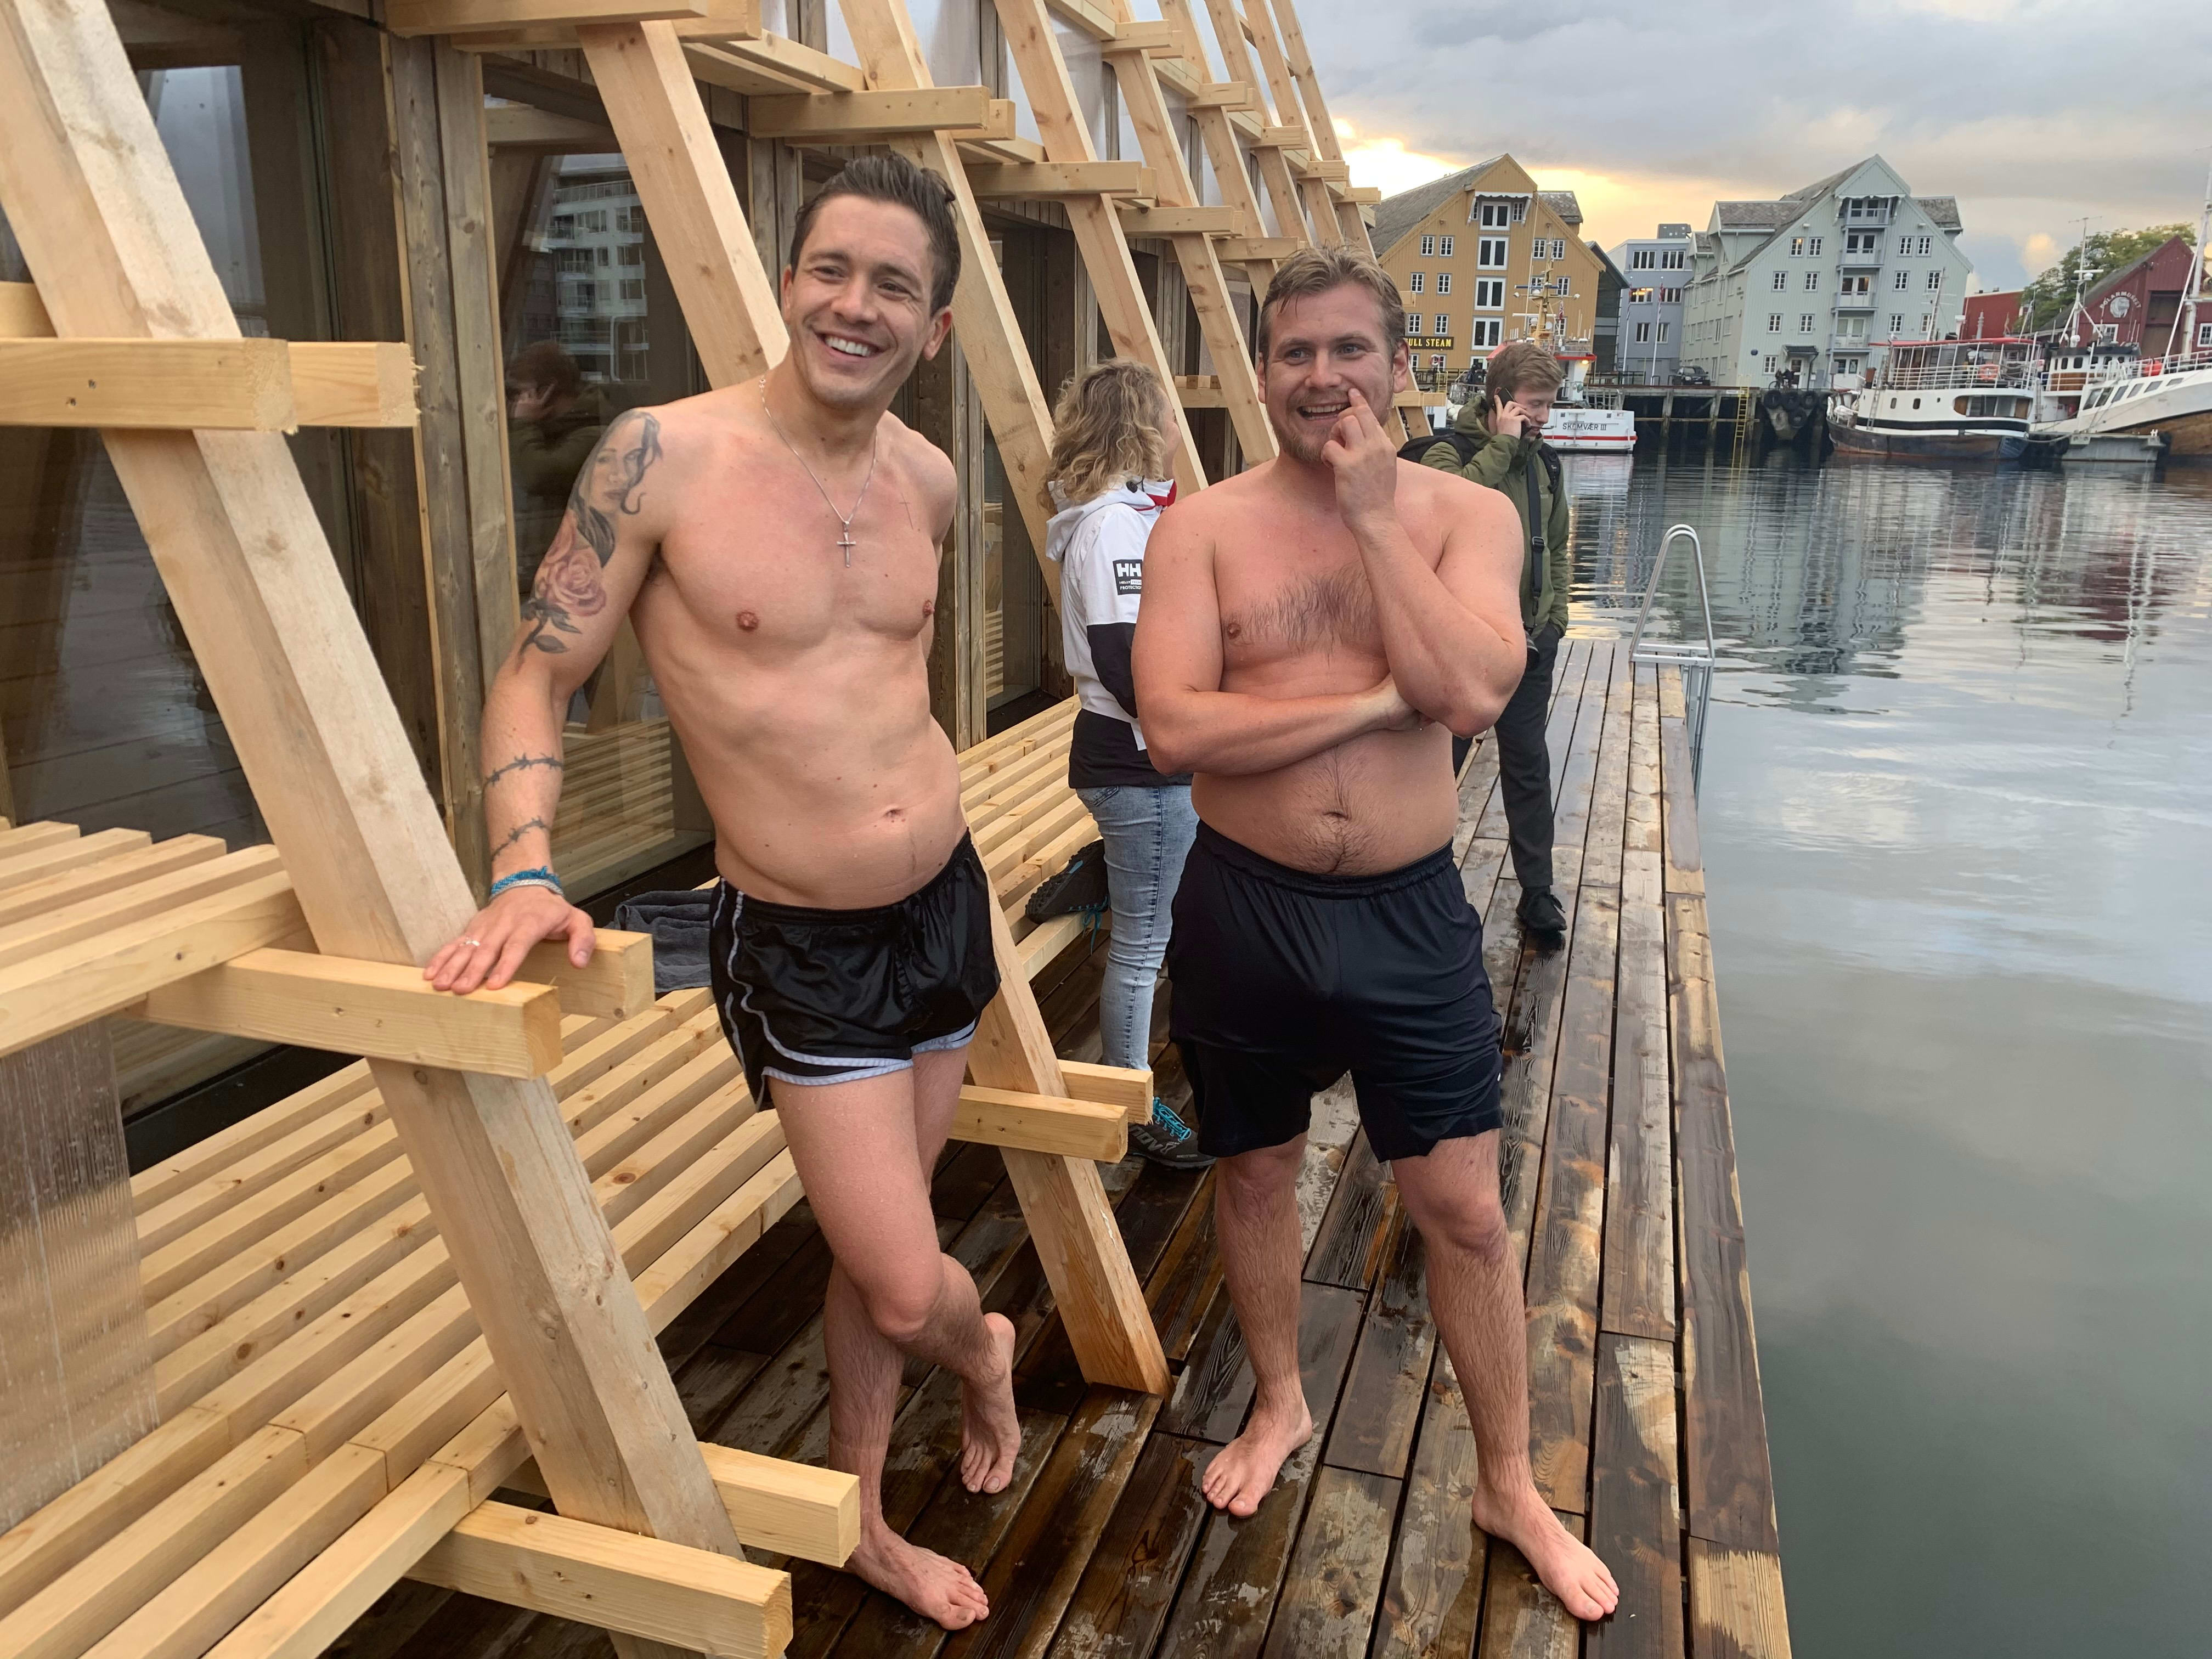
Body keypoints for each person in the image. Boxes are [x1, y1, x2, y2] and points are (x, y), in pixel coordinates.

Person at [424, 154, 1015, 1633]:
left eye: (893, 286)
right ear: (789, 282)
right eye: (833, 270)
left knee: (880, 1251)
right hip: (800, 941)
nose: (856, 305)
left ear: (935, 326)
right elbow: (537, 673)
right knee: (907, 1284)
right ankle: (988, 1349)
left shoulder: (930, 480)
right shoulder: (661, 458)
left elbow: (885, 689)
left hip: (945, 905)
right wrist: (525, 869)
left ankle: (864, 1515)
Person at [1133, 247, 1621, 1624]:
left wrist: (1371, 519)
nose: (1323, 376)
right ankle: (1280, 1401)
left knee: (1462, 1208)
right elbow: (1172, 730)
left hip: (1408, 914)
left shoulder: (1470, 515)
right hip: (1244, 904)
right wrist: (1361, 707)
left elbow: (1467, 691)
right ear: (1263, 374)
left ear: (1400, 367)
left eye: (1351, 349)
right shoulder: (1203, 529)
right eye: (1295, 352)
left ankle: (1508, 1481)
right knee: (1254, 1172)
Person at [1041, 358, 1210, 1172]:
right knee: (1144, 946)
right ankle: (1128, 1101)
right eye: (1168, 415)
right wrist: (1199, 724)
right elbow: (1123, 658)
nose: (1177, 429)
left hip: (1139, 763)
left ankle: (1101, 870)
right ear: (1142, 425)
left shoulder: (1127, 517)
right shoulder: (1114, 526)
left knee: (1155, 918)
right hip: (1140, 764)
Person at [1417, 339, 1572, 950]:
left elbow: (1556, 547)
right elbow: (1445, 513)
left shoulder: (1546, 464)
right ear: (1500, 400)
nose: (1543, 418)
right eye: (1533, 405)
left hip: (1530, 644)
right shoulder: (1446, 454)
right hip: (1463, 648)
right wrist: (1504, 445)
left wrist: (1555, 620)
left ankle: (1538, 891)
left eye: (1550, 405)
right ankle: (1421, 883)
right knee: (1437, 768)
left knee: (1528, 767)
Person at [506, 339, 607, 596]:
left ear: (547, 391)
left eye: (522, 393)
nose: (516, 403)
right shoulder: (552, 428)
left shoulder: (592, 431)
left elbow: (539, 475)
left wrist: (523, 424)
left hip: (572, 568)